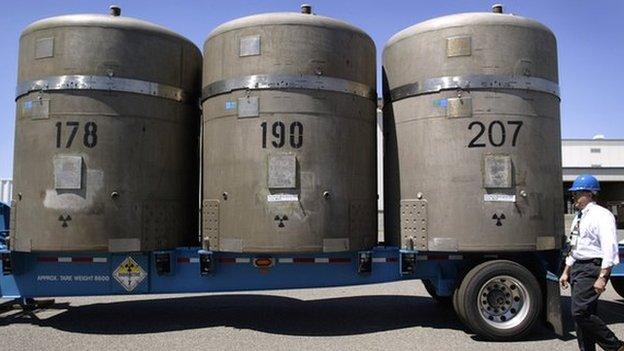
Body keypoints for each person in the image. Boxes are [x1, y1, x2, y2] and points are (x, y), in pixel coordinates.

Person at [560, 174, 623, 351]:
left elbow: (609, 248)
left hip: (592, 267)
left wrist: (603, 276)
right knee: (584, 318)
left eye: (578, 193)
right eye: (573, 194)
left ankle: (615, 346)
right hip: (578, 267)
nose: (574, 197)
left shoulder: (602, 215)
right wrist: (567, 270)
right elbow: (575, 245)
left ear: (591, 193)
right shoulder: (579, 217)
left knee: (579, 312)